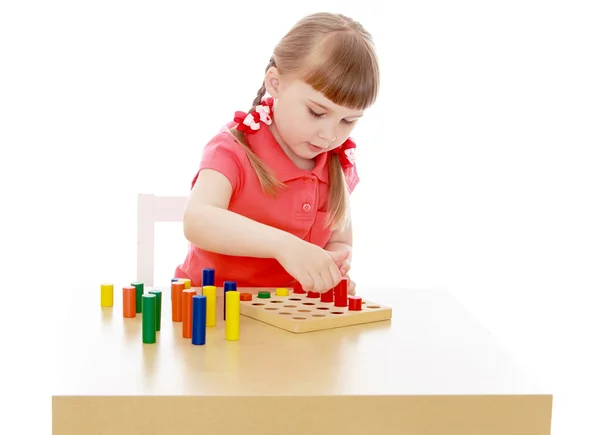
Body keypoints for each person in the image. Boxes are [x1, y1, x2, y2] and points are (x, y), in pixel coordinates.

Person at [174, 12, 379, 295]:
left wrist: (332, 266)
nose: (330, 135)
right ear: (275, 83)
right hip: (212, 312)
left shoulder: (335, 162)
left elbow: (340, 241)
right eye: (317, 112)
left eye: (348, 121)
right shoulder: (234, 147)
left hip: (290, 316)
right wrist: (284, 246)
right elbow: (197, 220)